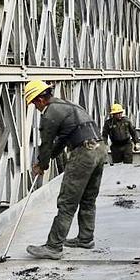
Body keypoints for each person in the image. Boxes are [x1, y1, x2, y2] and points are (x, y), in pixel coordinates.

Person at [23, 80, 108, 260]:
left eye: (33, 104)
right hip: (99, 149)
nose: (35, 108)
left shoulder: (50, 113)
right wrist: (50, 159)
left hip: (83, 153)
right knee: (88, 198)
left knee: (67, 201)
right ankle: (86, 238)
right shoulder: (68, 105)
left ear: (40, 100)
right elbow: (62, 140)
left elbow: (46, 144)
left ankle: (53, 247)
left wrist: (41, 164)